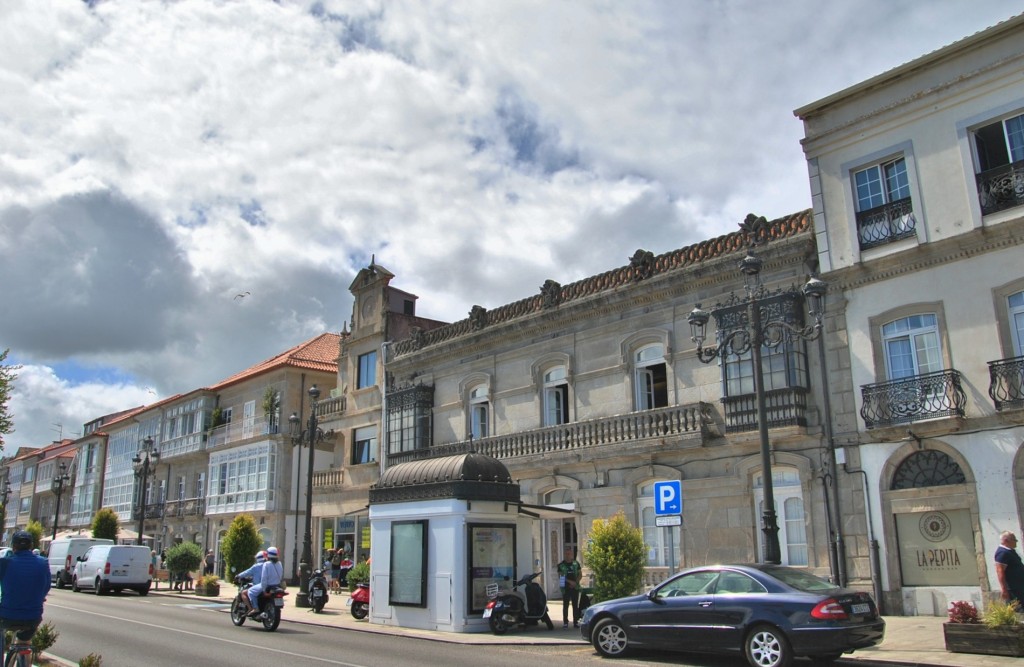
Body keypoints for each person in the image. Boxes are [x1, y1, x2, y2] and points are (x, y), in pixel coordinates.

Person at [0, 531, 51, 645]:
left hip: (6, 615)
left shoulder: (4, 563)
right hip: (33, 616)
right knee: (24, 642)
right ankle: (24, 658)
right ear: (31, 546)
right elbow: (46, 586)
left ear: (13, 546)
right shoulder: (43, 562)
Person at [248, 546, 283, 617]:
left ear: (268, 555)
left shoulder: (266, 564)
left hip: (268, 586)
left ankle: (255, 608)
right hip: (277, 586)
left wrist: (264, 590)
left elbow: (264, 579)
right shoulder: (280, 563)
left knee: (250, 591)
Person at [995, 530, 1024, 608]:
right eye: (1014, 540)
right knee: (1019, 611)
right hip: (1014, 590)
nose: (1016, 541)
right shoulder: (1002, 553)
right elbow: (1000, 571)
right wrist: (1004, 589)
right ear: (1006, 540)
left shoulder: (1010, 551)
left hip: (1020, 587)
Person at [557, 546, 582, 629]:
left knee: (575, 605)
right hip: (566, 588)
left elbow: (580, 574)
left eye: (570, 553)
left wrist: (576, 582)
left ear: (572, 554)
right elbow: (560, 576)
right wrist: (570, 582)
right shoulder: (561, 565)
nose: (568, 555)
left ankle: (575, 622)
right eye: (567, 554)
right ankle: (565, 622)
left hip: (575, 587)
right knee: (565, 605)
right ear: (565, 554)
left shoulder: (576, 563)